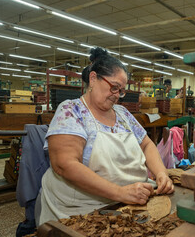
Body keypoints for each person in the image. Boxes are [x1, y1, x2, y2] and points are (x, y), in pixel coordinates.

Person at [35, 47, 174, 226]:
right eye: (114, 87)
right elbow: (64, 164)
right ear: (93, 79)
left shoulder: (123, 113)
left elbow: (146, 144)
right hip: (82, 210)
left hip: (129, 203)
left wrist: (161, 173)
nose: (117, 96)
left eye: (121, 91)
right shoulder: (71, 111)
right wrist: (120, 192)